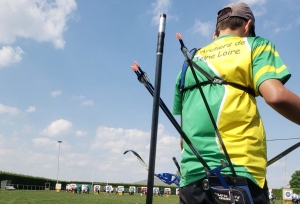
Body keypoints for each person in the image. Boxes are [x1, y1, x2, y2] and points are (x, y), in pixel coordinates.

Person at [173, 2, 300, 204]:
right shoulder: (255, 45)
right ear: (247, 26)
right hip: (238, 175)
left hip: (192, 180)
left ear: (215, 33)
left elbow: (183, 134)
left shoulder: (189, 63)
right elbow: (276, 95)